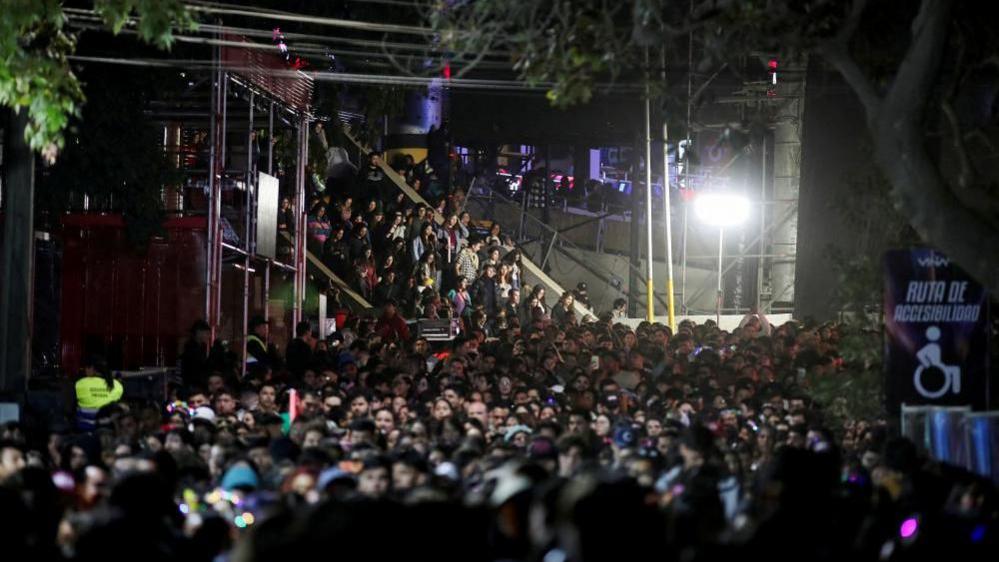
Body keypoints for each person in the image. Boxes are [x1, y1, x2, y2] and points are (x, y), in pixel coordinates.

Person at [75, 356, 124, 431]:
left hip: (84, 427)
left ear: (91, 368)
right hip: (108, 427)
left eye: (86, 368)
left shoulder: (81, 383)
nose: (85, 371)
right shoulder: (117, 385)